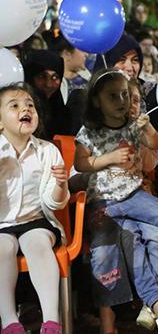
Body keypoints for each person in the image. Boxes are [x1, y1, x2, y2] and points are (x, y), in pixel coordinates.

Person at [74, 69, 158, 333]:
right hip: (105, 204)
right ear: (97, 101)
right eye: (113, 96)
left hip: (134, 195)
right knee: (123, 249)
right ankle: (155, 301)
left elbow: (154, 144)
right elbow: (80, 162)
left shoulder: (132, 125)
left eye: (124, 94)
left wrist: (148, 127)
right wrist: (108, 159)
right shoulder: (89, 131)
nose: (121, 100)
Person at [0, 83, 69, 334]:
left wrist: (61, 184)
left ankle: (51, 321)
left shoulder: (48, 151)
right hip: (1, 225)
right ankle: (9, 322)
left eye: (30, 105)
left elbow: (55, 203)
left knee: (36, 243)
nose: (25, 109)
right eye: (15, 106)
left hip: (36, 219)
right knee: (1, 248)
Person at [23, 50, 72, 139]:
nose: (48, 84)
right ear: (30, 77)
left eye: (55, 77)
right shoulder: (20, 113)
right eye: (42, 76)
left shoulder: (63, 115)